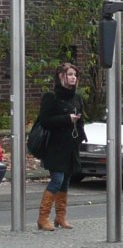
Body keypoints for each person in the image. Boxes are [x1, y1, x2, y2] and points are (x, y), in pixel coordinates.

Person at [35, 62, 87, 231]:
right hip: (55, 146)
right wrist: (67, 119)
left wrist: (80, 135)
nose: (73, 78)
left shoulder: (77, 97)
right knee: (57, 180)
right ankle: (43, 218)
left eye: (75, 75)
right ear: (61, 76)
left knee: (65, 182)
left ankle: (60, 217)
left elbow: (82, 119)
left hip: (70, 146)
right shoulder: (51, 97)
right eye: (70, 74)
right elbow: (45, 121)